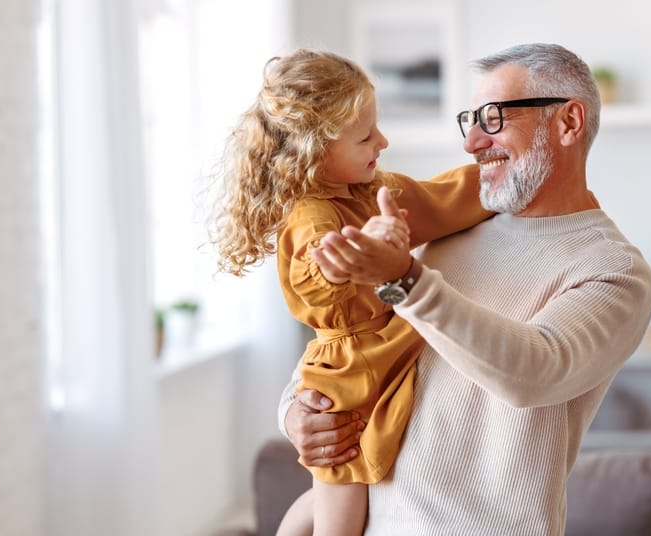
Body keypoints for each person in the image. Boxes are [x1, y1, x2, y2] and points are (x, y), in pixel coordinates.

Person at [278, 43, 651, 535]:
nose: (473, 142)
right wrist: (295, 412)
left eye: (495, 118)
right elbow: (357, 338)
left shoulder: (613, 270)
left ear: (568, 123)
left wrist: (403, 278)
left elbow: (532, 372)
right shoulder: (449, 231)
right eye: (471, 120)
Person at [208, 49, 491, 535]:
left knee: (331, 504)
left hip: (383, 345)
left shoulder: (373, 191)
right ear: (314, 151)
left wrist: (500, 177)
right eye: (365, 136)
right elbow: (318, 278)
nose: (382, 140)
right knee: (341, 509)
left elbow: (441, 199)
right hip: (347, 376)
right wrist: (363, 251)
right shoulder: (312, 215)